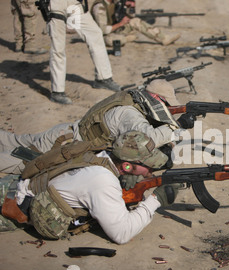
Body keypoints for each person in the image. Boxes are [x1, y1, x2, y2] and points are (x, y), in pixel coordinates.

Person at [0, 131, 181, 244]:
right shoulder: (102, 180)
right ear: (126, 165)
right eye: (147, 165)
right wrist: (156, 200)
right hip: (9, 205)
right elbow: (122, 234)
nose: (151, 170)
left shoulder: (99, 154)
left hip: (13, 186)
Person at [0, 79, 196, 175]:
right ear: (155, 98)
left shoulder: (133, 100)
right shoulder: (130, 113)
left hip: (66, 134)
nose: (168, 109)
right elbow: (147, 139)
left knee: (16, 140)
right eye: (166, 104)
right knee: (22, 162)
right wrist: (177, 126)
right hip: (62, 145)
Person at [47, 0, 121, 104]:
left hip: (74, 4)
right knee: (58, 48)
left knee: (95, 33)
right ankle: (57, 92)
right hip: (57, 4)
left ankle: (103, 78)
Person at [91, 0, 180, 47]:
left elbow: (130, 16)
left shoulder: (114, 2)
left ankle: (164, 38)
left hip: (114, 29)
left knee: (135, 21)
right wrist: (120, 24)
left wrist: (129, 6)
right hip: (102, 35)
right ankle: (126, 39)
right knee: (111, 41)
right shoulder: (100, 6)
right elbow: (102, 30)